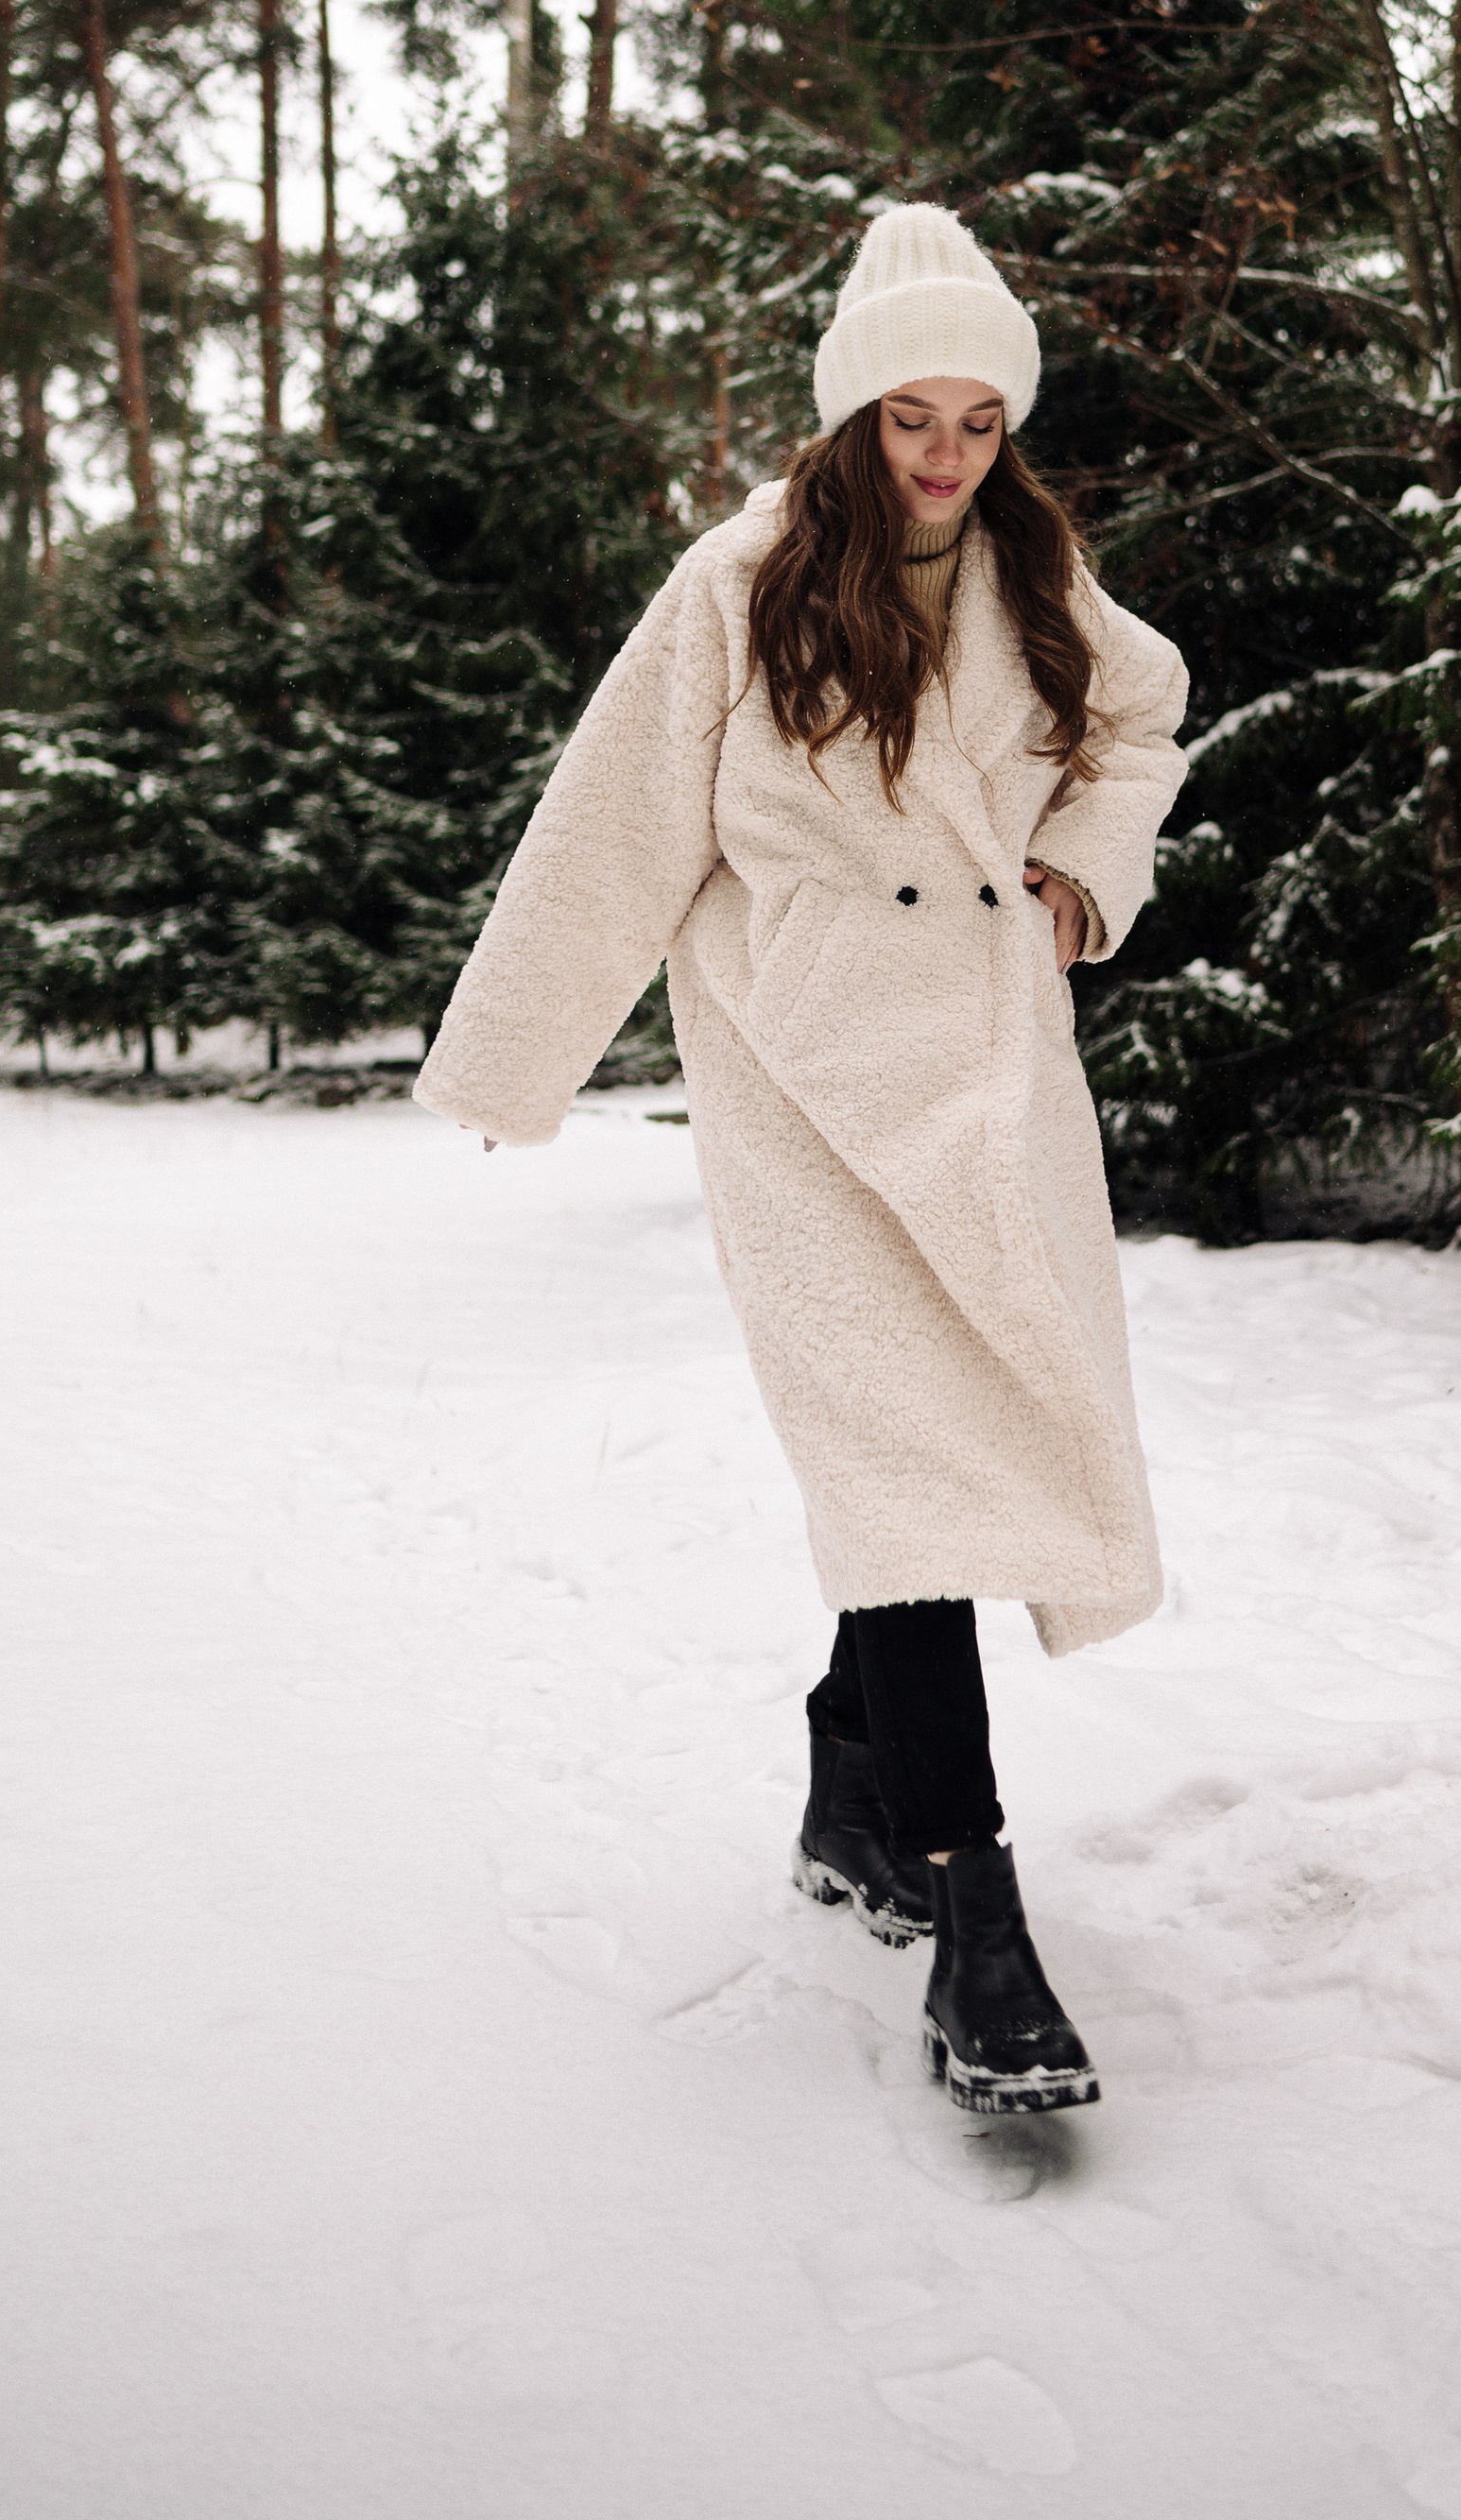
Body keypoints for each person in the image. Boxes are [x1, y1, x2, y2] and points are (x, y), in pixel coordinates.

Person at [417, 204, 1188, 2114]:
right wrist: (516, 1065)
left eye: (976, 420)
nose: (942, 455)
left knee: (923, 1463)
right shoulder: (740, 581)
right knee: (904, 1461)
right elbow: (610, 827)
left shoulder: (1037, 574)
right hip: (802, 1081)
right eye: (909, 418)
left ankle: (855, 1802)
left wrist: (1087, 872)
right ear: (849, 418)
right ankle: (973, 1914)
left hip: (987, 1071)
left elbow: (1145, 715)